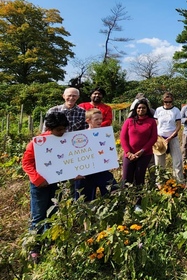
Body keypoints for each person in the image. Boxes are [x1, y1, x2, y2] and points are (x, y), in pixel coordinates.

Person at [22, 112, 69, 263]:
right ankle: (34, 247)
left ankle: (49, 241)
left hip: (56, 182)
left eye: (64, 129)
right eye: (58, 130)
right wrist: (38, 179)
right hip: (40, 185)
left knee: (53, 212)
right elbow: (26, 163)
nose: (62, 133)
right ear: (49, 128)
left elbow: (68, 160)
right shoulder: (38, 142)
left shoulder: (65, 140)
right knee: (38, 215)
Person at [120, 99, 158, 211]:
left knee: (139, 178)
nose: (141, 110)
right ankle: (124, 203)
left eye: (143, 108)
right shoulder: (129, 121)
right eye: (139, 108)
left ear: (147, 109)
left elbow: (153, 138)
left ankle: (138, 203)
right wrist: (128, 152)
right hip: (129, 155)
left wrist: (142, 151)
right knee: (126, 179)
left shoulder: (151, 122)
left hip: (144, 154)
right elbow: (123, 138)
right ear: (135, 109)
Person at [74, 109, 117, 201]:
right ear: (88, 120)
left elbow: (109, 150)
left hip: (102, 170)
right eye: (96, 119)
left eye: (101, 119)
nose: (100, 121)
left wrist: (112, 161)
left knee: (113, 193)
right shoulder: (80, 136)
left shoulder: (105, 134)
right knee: (85, 200)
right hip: (86, 173)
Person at [154, 93, 184, 184]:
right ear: (163, 101)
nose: (168, 103)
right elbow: (155, 124)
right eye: (166, 102)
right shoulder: (158, 110)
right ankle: (160, 184)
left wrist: (171, 137)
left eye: (170, 102)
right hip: (160, 139)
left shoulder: (176, 110)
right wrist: (155, 137)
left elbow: (178, 125)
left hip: (172, 137)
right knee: (159, 164)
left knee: (177, 161)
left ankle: (179, 183)